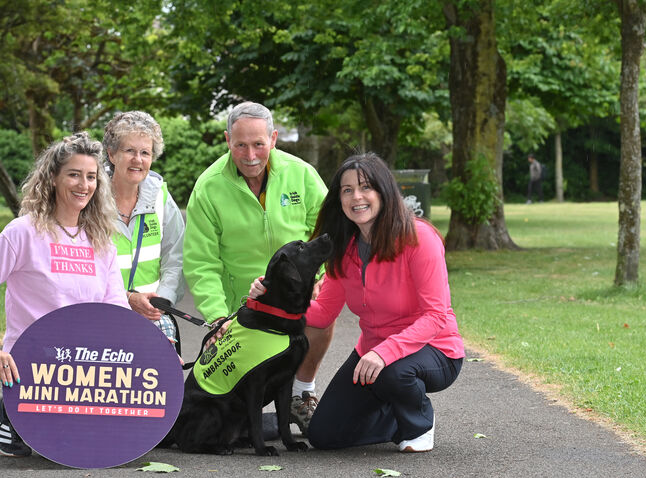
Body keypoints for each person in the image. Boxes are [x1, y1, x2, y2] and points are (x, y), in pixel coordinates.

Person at [249, 153, 465, 452]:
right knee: (325, 437)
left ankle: (418, 425)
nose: (356, 197)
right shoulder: (344, 247)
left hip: (434, 349)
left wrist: (384, 353)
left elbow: (435, 316)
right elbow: (323, 313)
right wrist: (269, 301)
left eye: (365, 187)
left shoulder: (419, 238)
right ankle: (396, 418)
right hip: (373, 354)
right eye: (347, 190)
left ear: (384, 192)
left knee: (394, 372)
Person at [0, 132, 129, 457]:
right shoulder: (23, 232)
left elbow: (115, 308)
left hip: (86, 365)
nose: (84, 185)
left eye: (91, 176)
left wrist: (149, 347)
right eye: (74, 174)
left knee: (93, 447)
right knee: (45, 449)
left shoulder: (100, 241)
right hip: (34, 364)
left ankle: (18, 412)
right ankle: (10, 408)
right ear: (53, 178)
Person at [183, 101, 331, 435]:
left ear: (274, 139)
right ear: (227, 141)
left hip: (296, 295)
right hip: (242, 306)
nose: (250, 155)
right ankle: (246, 417)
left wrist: (320, 277)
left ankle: (300, 393)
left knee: (323, 312)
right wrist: (216, 316)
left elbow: (326, 231)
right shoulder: (208, 187)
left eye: (258, 144)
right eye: (240, 145)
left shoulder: (302, 174)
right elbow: (201, 261)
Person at [103, 111, 185, 346]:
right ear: (112, 154)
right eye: (129, 151)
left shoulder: (161, 198)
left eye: (145, 153)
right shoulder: (91, 200)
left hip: (152, 316)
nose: (137, 159)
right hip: (101, 314)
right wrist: (127, 299)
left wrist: (161, 302)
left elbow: (175, 259)